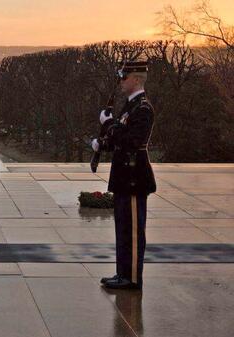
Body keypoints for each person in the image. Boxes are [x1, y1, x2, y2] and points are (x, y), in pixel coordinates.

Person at [92, 61, 156, 290]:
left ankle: (132, 278)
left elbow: (132, 141)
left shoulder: (143, 109)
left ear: (137, 79)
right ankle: (123, 273)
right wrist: (103, 143)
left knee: (133, 231)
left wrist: (108, 123)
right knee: (123, 228)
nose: (121, 81)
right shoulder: (130, 107)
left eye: (124, 77)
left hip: (134, 177)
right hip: (124, 176)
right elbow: (121, 137)